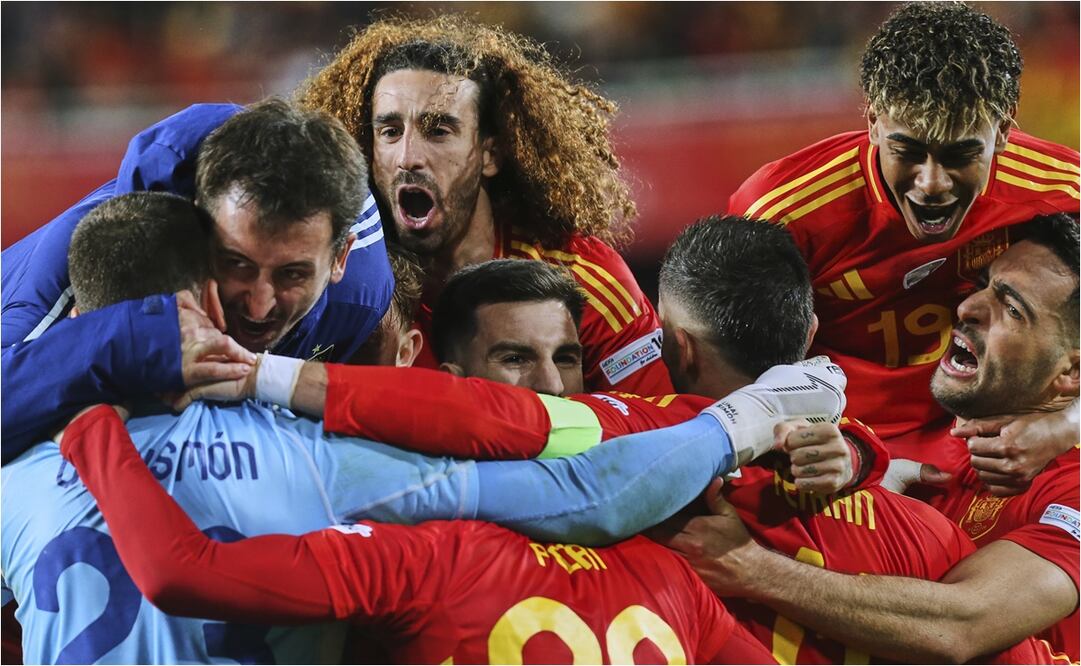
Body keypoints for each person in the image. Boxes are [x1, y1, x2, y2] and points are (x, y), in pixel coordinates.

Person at [167, 215, 1056, 663]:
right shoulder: (929, 531)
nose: (555, 381)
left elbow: (491, 421)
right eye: (520, 357)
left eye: (565, 357)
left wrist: (267, 377)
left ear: (671, 349)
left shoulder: (662, 476)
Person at [2, 193, 846, 662]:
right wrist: (753, 420)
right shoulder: (344, 473)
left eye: (566, 361)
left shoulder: (13, 479)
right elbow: (588, 493)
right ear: (206, 305)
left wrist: (80, 416)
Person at [660, 214, 1080, 662]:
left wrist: (752, 568)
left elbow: (964, 625)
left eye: (1012, 310)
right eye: (985, 284)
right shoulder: (924, 430)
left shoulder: (1070, 490)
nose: (968, 308)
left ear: (1070, 373)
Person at [727, 2, 1080, 489]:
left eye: (960, 154)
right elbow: (720, 368)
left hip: (998, 447)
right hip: (832, 454)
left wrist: (1064, 427)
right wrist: (847, 458)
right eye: (908, 151)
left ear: (1002, 129)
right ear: (873, 121)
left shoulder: (1061, 189)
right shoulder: (781, 212)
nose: (932, 184)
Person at [0, 99, 393, 464]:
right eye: (236, 263)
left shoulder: (358, 299)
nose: (259, 307)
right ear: (199, 225)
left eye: (293, 274)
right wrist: (130, 337)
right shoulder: (100, 260)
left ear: (339, 258)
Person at [297, 15, 673, 395]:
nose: (407, 157)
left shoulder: (584, 278)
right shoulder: (346, 284)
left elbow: (661, 424)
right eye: (390, 132)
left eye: (438, 131)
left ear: (489, 155)